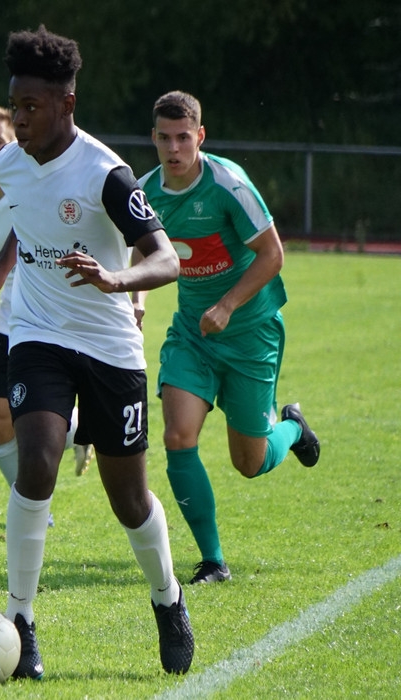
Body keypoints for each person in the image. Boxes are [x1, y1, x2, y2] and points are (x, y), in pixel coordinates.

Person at [0, 27, 193, 678]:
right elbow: (25, 224)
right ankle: (21, 622)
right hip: (37, 334)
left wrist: (116, 280)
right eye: (15, 106)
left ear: (66, 103)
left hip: (109, 346)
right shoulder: (11, 164)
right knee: (37, 459)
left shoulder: (105, 174)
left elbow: (166, 258)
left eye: (31, 108)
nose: (18, 121)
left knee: (129, 500)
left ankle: (167, 599)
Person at [137, 90, 320, 584]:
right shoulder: (145, 191)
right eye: (164, 138)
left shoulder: (228, 184)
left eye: (183, 137)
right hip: (192, 334)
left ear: (200, 136)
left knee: (250, 462)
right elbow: (140, 250)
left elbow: (273, 254)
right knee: (177, 436)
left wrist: (227, 305)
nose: (174, 148)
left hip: (250, 333)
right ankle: (213, 560)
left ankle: (292, 428)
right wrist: (137, 301)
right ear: (153, 138)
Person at [0, 106, 93, 502]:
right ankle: (31, 508)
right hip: (11, 322)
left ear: (16, 147)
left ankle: (80, 429)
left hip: (53, 319)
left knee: (38, 422)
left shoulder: (36, 190)